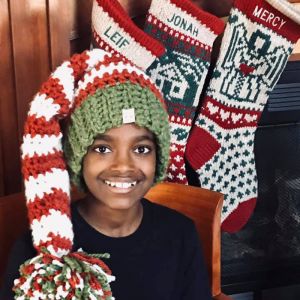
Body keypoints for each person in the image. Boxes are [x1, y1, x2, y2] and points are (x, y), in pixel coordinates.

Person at [0, 49, 212, 300]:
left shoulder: (181, 234)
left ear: (159, 156)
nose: (123, 166)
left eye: (141, 149)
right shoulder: (38, 252)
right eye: (102, 148)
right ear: (79, 157)